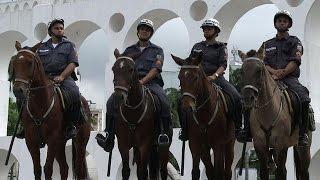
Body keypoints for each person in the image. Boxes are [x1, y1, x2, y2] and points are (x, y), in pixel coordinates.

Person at [96, 19, 172, 152]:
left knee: (164, 101)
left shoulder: (157, 50)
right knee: (110, 102)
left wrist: (142, 81)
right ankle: (109, 136)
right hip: (130, 84)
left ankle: (163, 134)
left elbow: (156, 68)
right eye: (142, 29)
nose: (144, 31)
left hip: (151, 82)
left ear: (150, 33)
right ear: (138, 32)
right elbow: (122, 67)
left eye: (147, 29)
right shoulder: (129, 50)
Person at [178, 18, 251, 143]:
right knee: (181, 101)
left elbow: (223, 65)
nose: (206, 31)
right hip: (198, 80)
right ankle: (185, 130)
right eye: (205, 29)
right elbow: (191, 62)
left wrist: (215, 76)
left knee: (236, 98)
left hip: (216, 78)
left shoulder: (221, 47)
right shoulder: (197, 47)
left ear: (216, 31)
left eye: (209, 28)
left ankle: (238, 129)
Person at [17, 18, 81, 140]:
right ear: (50, 31)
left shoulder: (69, 45)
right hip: (45, 79)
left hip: (64, 78)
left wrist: (62, 76)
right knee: (22, 96)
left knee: (74, 93)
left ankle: (70, 124)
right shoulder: (41, 47)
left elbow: (73, 63)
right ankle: (24, 126)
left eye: (61, 28)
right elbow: (34, 62)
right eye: (56, 28)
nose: (59, 30)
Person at [263, 10, 310, 146]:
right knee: (251, 97)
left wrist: (282, 73)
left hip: (289, 78)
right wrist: (273, 72)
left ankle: (302, 134)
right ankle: (248, 131)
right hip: (271, 78)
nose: (282, 23)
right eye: (279, 21)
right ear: (275, 24)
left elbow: (296, 61)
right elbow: (264, 63)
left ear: (288, 24)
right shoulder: (267, 44)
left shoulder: (295, 41)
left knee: (304, 98)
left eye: (284, 21)